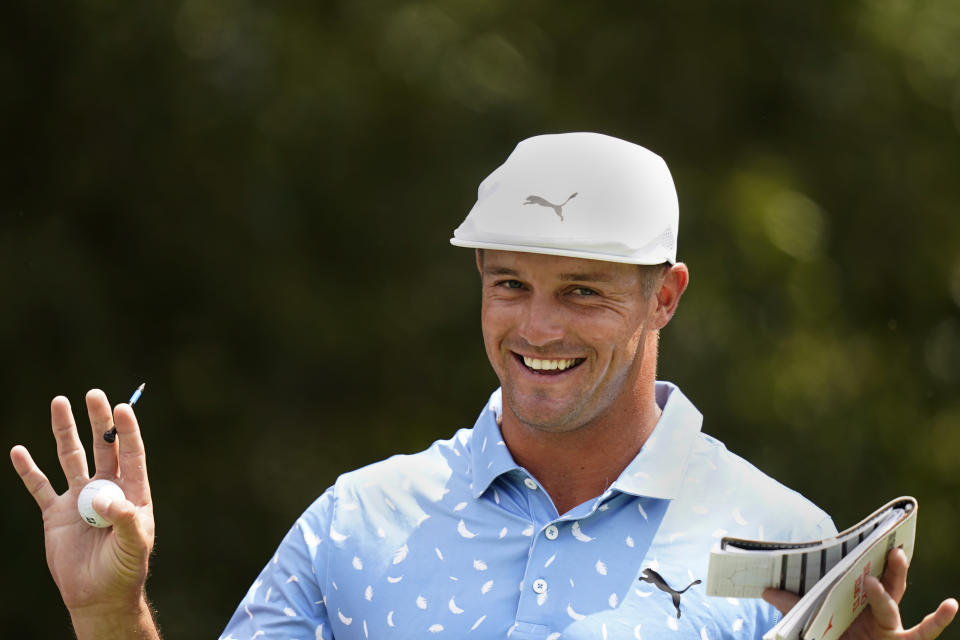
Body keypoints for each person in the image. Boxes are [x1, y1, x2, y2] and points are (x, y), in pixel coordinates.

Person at [11, 133, 957, 639]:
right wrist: (108, 617)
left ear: (664, 297)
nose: (537, 329)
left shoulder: (787, 543)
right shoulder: (357, 521)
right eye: (510, 285)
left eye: (582, 292)